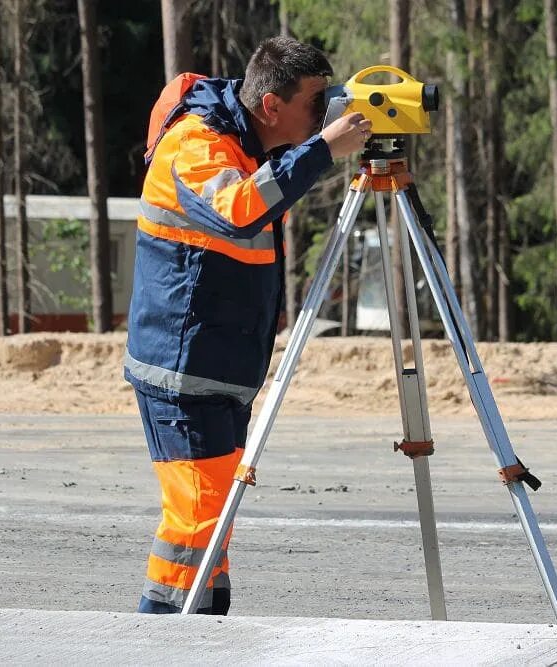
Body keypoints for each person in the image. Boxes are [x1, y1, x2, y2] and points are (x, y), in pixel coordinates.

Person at [125, 36, 373, 615]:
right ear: (271, 107)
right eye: (317, 101)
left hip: (217, 367)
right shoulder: (196, 143)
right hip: (183, 370)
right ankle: (162, 640)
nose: (325, 112)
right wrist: (320, 150)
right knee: (196, 523)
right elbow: (239, 209)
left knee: (211, 523)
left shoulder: (244, 142)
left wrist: (319, 147)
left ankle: (204, 634)